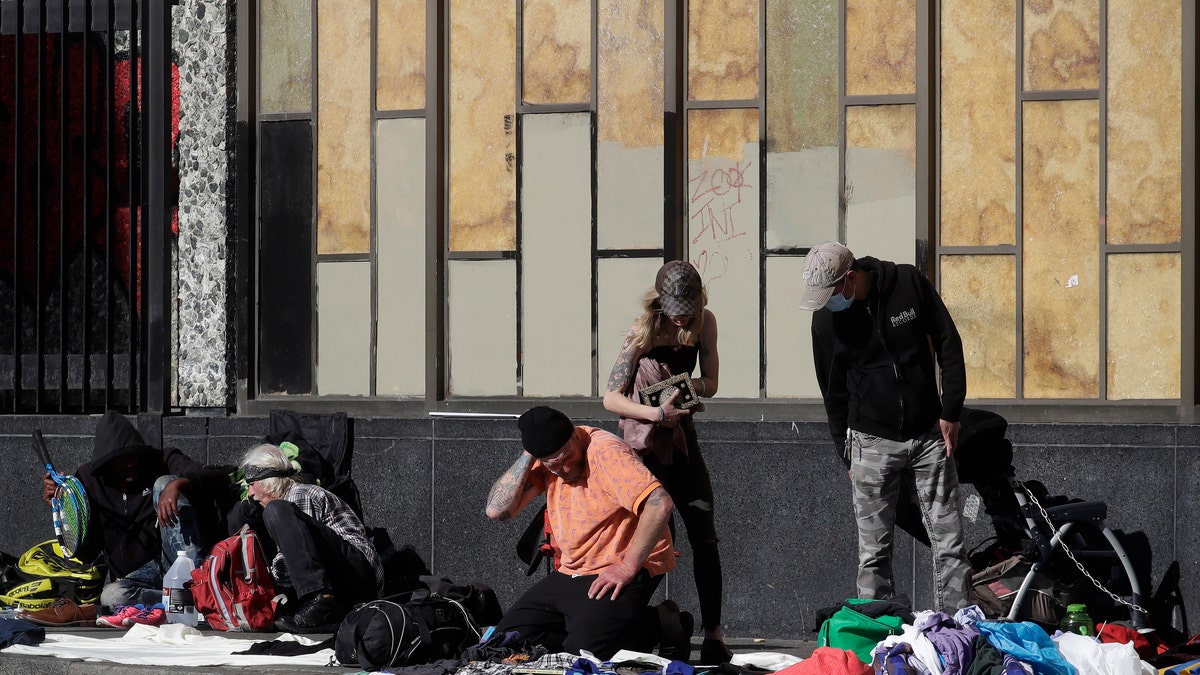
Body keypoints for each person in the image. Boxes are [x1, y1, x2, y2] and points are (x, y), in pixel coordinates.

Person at [799, 241, 972, 612]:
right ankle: (879, 641)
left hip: (929, 433)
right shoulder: (826, 320)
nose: (827, 302)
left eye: (830, 293)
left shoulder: (907, 283)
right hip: (870, 441)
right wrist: (845, 454)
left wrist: (951, 408)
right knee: (874, 553)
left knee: (950, 544)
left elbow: (947, 340)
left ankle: (956, 632)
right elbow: (833, 392)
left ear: (850, 278)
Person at [601, 259, 732, 663]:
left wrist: (692, 386)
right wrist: (655, 413)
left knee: (703, 533)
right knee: (654, 539)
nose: (681, 316)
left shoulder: (704, 323)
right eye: (675, 308)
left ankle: (713, 634)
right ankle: (637, 624)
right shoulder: (643, 330)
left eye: (688, 309)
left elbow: (711, 381)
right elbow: (609, 398)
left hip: (681, 440)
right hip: (645, 445)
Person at [485, 406, 683, 660]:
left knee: (584, 655)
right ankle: (623, 623)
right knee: (505, 644)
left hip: (621, 564)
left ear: (576, 435)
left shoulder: (606, 452)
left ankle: (657, 624)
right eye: (555, 465)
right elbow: (496, 511)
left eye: (568, 456)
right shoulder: (548, 461)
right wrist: (529, 455)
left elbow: (660, 504)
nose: (565, 469)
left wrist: (626, 567)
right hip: (573, 568)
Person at [36, 410, 233, 619]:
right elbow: (88, 554)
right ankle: (182, 601)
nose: (129, 464)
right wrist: (66, 509)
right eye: (120, 460)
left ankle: (198, 589)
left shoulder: (163, 459)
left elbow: (217, 475)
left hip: (178, 561)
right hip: (141, 575)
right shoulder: (87, 481)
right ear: (106, 463)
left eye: (133, 456)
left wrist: (178, 483)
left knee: (164, 482)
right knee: (112, 597)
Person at [230, 443, 383, 632]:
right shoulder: (289, 503)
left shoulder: (300, 494)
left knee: (275, 510)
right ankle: (326, 610)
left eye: (252, 484)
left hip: (360, 575)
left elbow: (295, 558)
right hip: (348, 581)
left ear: (268, 481)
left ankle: (320, 601)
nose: (251, 494)